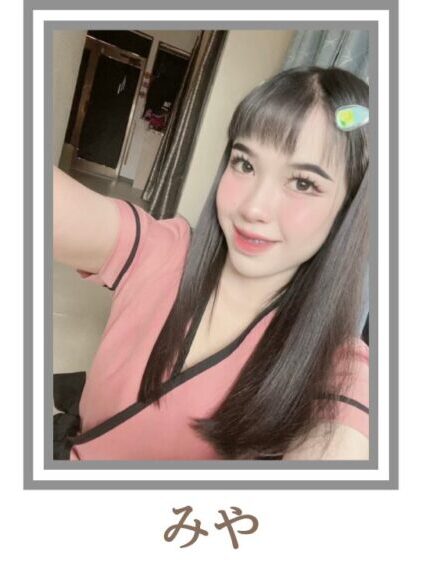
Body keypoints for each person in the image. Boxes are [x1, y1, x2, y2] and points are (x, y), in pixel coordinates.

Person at [53, 65, 370, 461]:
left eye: (303, 183)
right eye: (245, 164)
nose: (253, 207)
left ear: (347, 209)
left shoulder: (338, 367)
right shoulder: (162, 250)